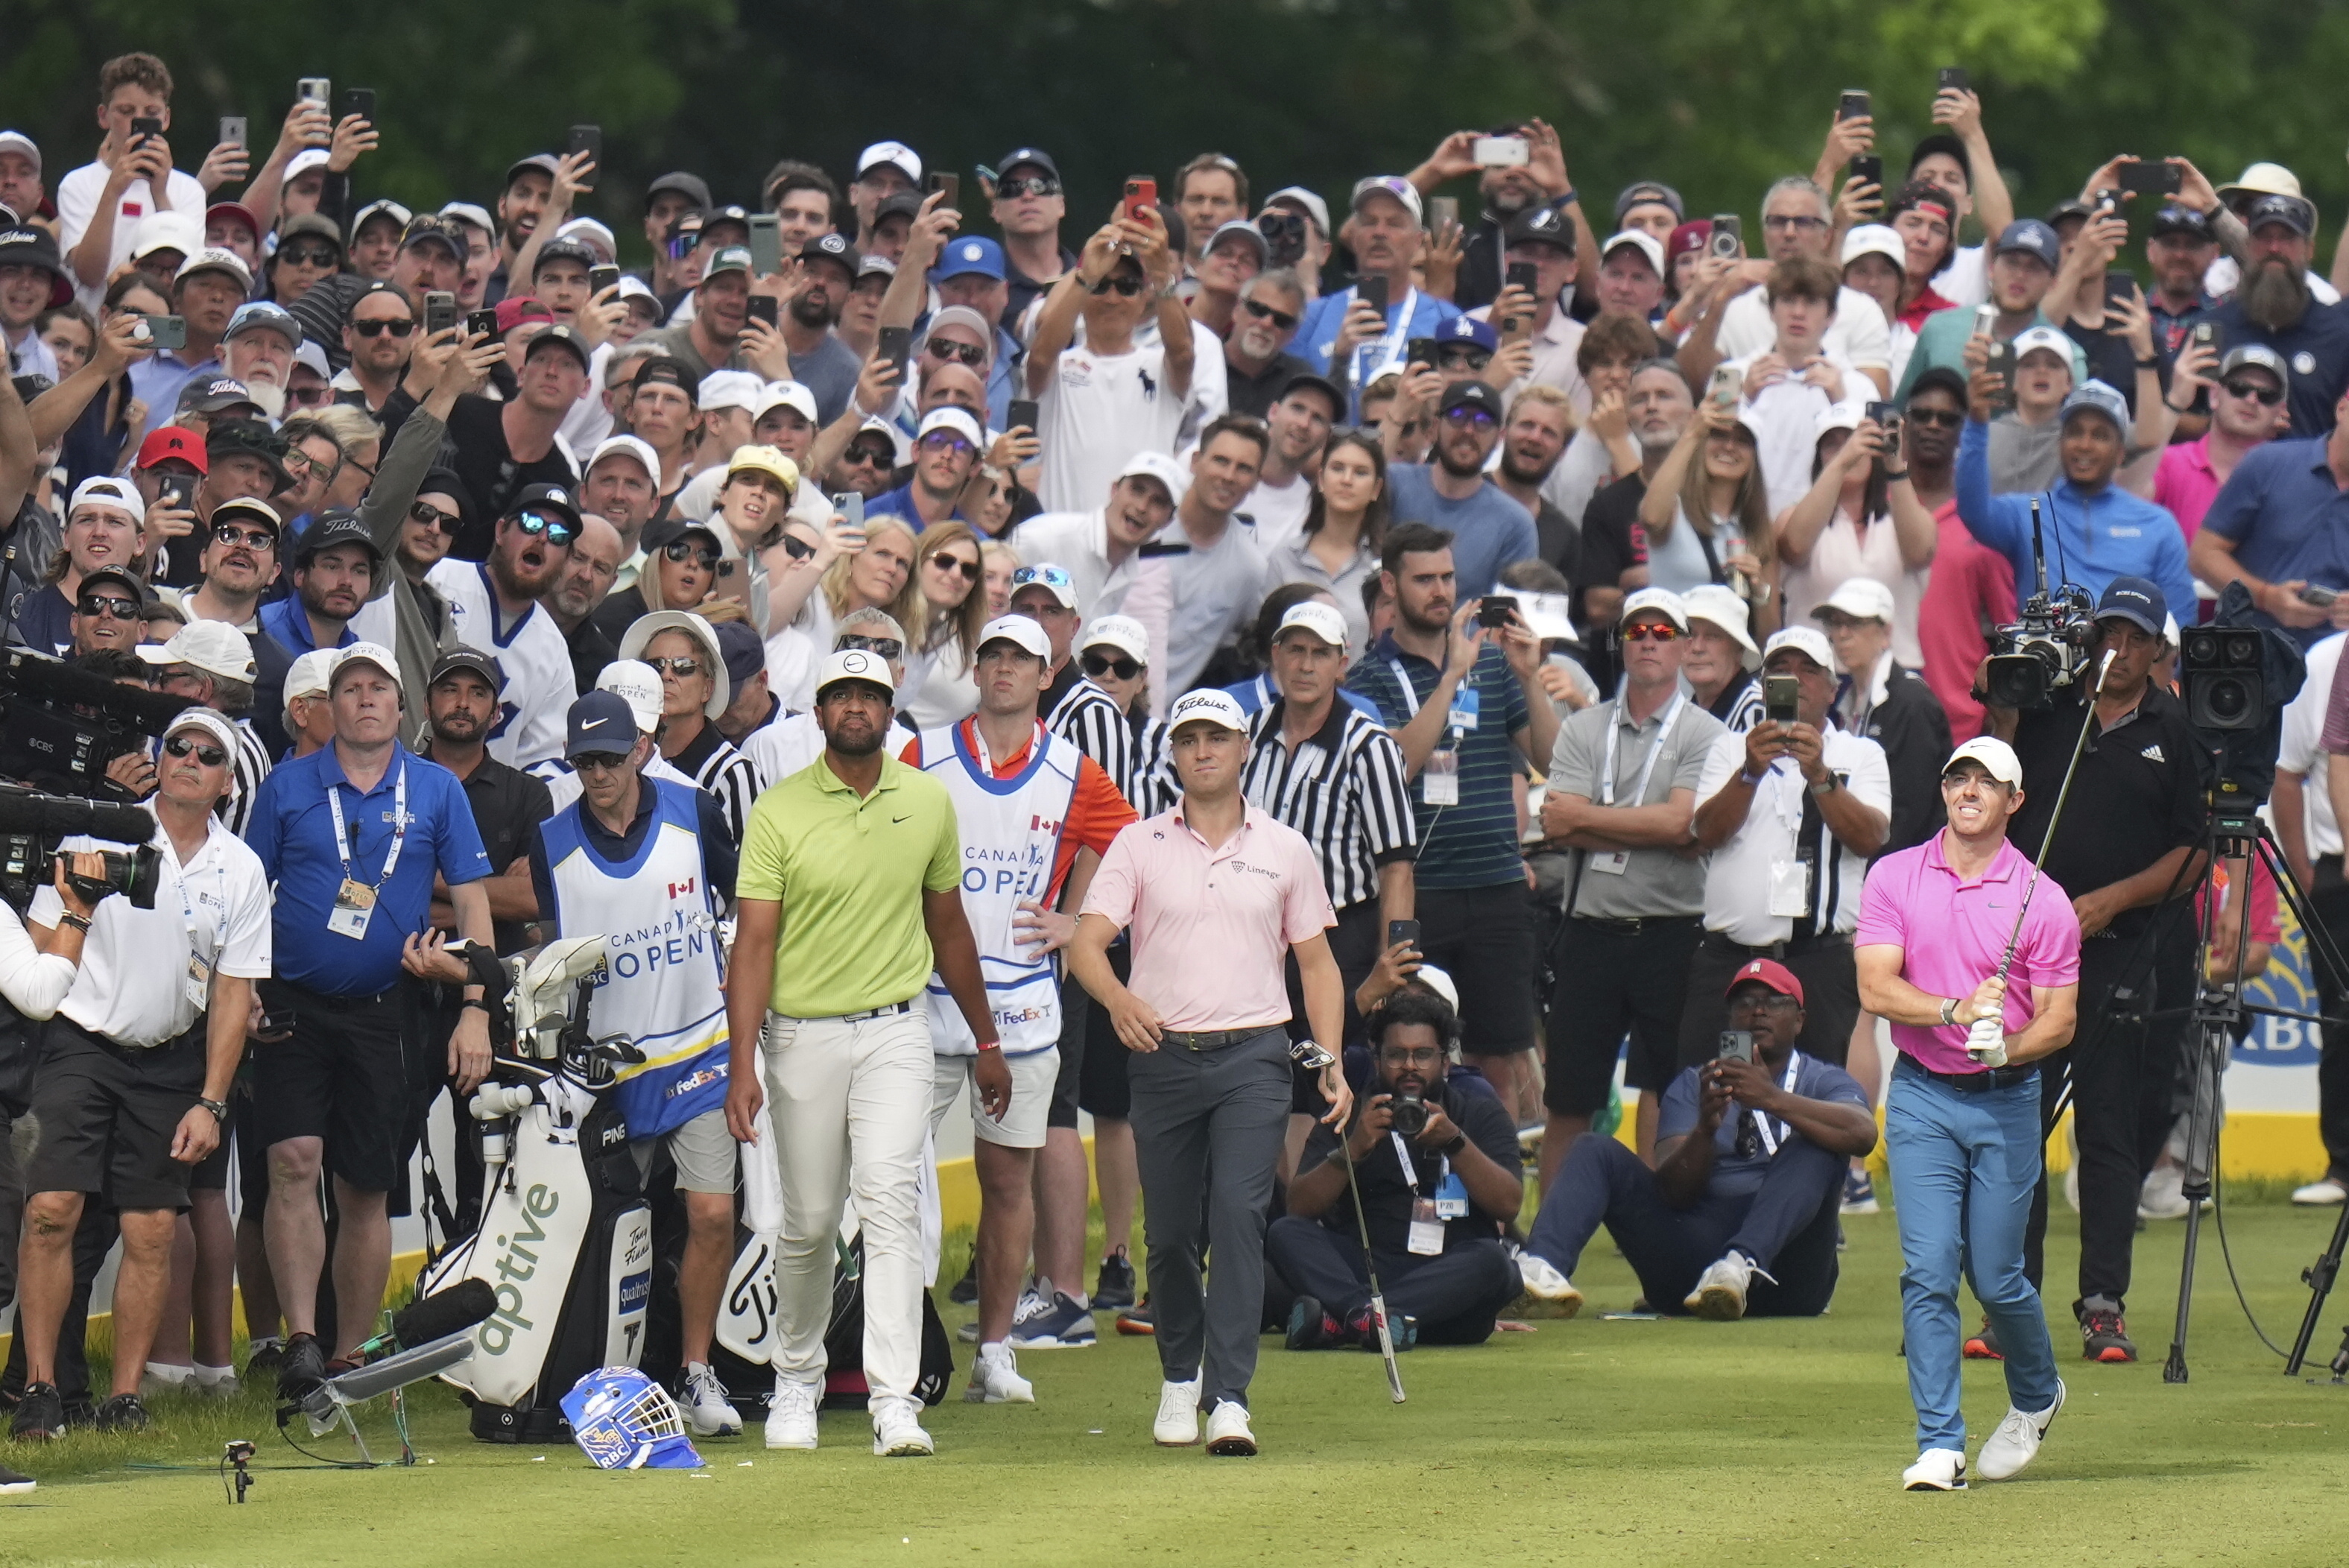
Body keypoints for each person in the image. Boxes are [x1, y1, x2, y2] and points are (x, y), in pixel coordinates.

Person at [723, 646, 1003, 1459]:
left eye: (869, 696)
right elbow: (753, 947)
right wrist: (743, 1063)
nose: (855, 707)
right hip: (800, 1033)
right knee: (807, 1224)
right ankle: (797, 1380)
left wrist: (985, 1040)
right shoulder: (778, 810)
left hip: (895, 1028)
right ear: (818, 713)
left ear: (889, 711)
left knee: (886, 1200)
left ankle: (893, 1396)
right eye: (841, 695)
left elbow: (947, 925)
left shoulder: (925, 800)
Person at [1069, 688, 1349, 1458]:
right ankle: (1178, 1377)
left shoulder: (1284, 847)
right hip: (1162, 1055)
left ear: (1242, 748)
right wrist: (1120, 999)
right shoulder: (1138, 843)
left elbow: (1317, 964)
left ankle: (1229, 1395)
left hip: (1255, 1053)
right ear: (1172, 753)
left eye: (1216, 738)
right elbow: (1086, 944)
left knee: (1237, 1215)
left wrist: (1326, 1054)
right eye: (1188, 739)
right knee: (1169, 1234)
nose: (1202, 751)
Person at [7, 709, 266, 1441]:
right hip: (77, 1041)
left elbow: (231, 993)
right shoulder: (101, 828)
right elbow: (32, 944)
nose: (188, 760)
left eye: (207, 754)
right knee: (51, 1207)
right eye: (176, 747)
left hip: (171, 1055)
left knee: (150, 1229)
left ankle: (124, 1397)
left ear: (225, 780)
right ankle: (39, 1388)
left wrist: (211, 1102)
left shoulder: (240, 867)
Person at [245, 643, 495, 1394]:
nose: (364, 700)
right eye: (349, 688)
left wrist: (475, 1005)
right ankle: (300, 1339)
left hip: (388, 1009)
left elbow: (475, 901)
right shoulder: (288, 786)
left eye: (378, 688)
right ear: (328, 706)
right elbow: (246, 894)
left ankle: (351, 1353)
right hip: (292, 1004)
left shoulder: (436, 789)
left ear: (399, 706)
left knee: (364, 1184)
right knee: (291, 1161)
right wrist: (245, 989)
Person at [905, 616, 1135, 1396]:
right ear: (976, 668)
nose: (1004, 668)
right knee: (895, 1180)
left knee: (1007, 1181)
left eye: (1021, 659)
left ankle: (994, 1350)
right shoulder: (924, 753)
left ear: (1047, 674)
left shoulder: (1073, 769)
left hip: (1026, 1008)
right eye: (993, 654)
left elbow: (1132, 852)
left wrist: (1078, 923)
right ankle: (894, 1345)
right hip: (920, 997)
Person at [1985, 576, 2206, 1364]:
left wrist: (2111, 900)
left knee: (2107, 1128)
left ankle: (2102, 1302)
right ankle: (2010, 1302)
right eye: (2107, 632)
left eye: (2133, 638)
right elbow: (1986, 796)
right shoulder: (2044, 710)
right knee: (2016, 1131)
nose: (2117, 649)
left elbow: (2190, 853)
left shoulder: (2173, 727)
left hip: (2117, 951)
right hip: (2027, 953)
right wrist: (2003, 703)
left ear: (2154, 651)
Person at [1856, 736, 2079, 1491]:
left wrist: (2007, 1048)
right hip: (1919, 1093)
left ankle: (2035, 1394)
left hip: (2004, 1102)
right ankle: (1938, 1444)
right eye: (1959, 776)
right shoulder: (1893, 876)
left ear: (2014, 801)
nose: (1969, 789)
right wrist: (1953, 1010)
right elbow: (1875, 989)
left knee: (1995, 1277)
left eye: (1988, 781)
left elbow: (2059, 1019)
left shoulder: (2041, 899)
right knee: (1925, 1271)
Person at [1517, 959, 1876, 1321]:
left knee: (1815, 1142)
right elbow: (1673, 1194)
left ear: (1799, 1020)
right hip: (1695, 1264)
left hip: (1788, 1273)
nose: (1759, 1011)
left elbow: (1862, 1134)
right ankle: (1538, 1270)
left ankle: (1741, 1263)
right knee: (1593, 1149)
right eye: (1745, 1003)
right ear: (1730, 1019)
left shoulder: (1822, 1080)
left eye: (1775, 1002)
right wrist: (1704, 1130)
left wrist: (1771, 1099)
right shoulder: (1696, 1083)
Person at [1344, 525, 1558, 1125]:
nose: (1440, 592)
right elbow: (1397, 765)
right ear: (1390, 584)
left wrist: (1528, 677)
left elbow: (1552, 758)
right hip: (1420, 889)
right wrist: (1448, 681)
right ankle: (1415, 1181)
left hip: (1496, 885)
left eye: (1447, 577)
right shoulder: (1369, 677)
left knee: (1501, 1052)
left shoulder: (1493, 663)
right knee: (1413, 1048)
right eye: (1424, 579)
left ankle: (1494, 1197)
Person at [1534, 587, 1727, 1171]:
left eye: (1663, 633)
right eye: (1637, 632)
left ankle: (1656, 1227)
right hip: (1592, 931)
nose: (1648, 642)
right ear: (1620, 643)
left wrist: (1594, 820)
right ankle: (1550, 1244)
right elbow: (1558, 824)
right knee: (1569, 1100)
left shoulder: (1704, 732)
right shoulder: (1583, 728)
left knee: (1669, 1092)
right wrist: (1653, 825)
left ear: (1685, 646)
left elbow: (1681, 824)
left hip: (1674, 932)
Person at [1683, 624, 1889, 1069]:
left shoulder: (1860, 754)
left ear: (1833, 690)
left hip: (1815, 964)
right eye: (1780, 670)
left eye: (1808, 670)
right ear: (1763, 688)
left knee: (1812, 1095)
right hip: (1731, 964)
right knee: (1720, 1086)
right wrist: (1750, 772)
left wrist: (1820, 774)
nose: (1794, 680)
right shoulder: (1731, 748)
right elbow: (1706, 834)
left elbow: (1870, 838)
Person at [1271, 987, 1524, 1349]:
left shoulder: (1477, 1113)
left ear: (1445, 1062)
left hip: (1446, 1272)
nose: (1409, 1066)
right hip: (1365, 1267)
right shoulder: (1352, 1115)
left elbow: (1508, 1204)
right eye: (1396, 1055)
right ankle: (1375, 1319)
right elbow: (1299, 1208)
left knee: (1494, 1262)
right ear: (1377, 1061)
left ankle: (1342, 1321)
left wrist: (1456, 1144)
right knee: (1284, 1234)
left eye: (1423, 1055)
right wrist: (1354, 1150)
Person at [1956, 379, 2195, 619]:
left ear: (2120, 452)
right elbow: (1973, 511)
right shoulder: (2029, 513)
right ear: (2059, 444)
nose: (2084, 445)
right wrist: (1976, 422)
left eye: (2100, 436)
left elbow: (2180, 619)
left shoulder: (2157, 525)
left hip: (2126, 653)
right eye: (2075, 433)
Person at [1028, 204, 1193, 514]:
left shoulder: (1160, 367)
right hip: (1064, 539)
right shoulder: (1059, 367)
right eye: (1101, 286)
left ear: (1145, 297)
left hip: (1142, 547)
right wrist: (1084, 276)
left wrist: (1161, 275)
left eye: (1127, 287)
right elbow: (1039, 357)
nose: (1112, 298)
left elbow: (1183, 351)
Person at [1094, 417, 1268, 702]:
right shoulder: (1140, 525)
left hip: (1160, 719)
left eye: (1244, 468)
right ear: (1196, 461)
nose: (1229, 476)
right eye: (1221, 461)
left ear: (1256, 482)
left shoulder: (1251, 568)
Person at [426, 482, 580, 769]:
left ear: (568, 560)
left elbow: (546, 758)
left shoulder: (553, 649)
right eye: (530, 523)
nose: (543, 538)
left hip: (484, 806)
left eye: (559, 536)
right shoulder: (438, 580)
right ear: (500, 531)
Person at [2187, 379, 2349, 651]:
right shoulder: (2268, 463)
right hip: (2245, 652)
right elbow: (2203, 555)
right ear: (2342, 410)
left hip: (2334, 667)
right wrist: (2267, 597)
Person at [1905, 367, 2016, 742]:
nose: (1933, 425)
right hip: (1880, 713)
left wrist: (1993, 710)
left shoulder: (1982, 522)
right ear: (1903, 423)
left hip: (1960, 722)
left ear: (1963, 429)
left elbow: (2007, 631)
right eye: (1921, 415)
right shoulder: (1876, 507)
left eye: (1948, 418)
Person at [1776, 407, 1937, 665]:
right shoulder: (1793, 517)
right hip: (1817, 674)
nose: (1849, 449)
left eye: (1856, 439)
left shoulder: (1904, 518)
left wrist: (1894, 465)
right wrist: (1842, 462)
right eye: (1832, 445)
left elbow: (1920, 553)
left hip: (1895, 675)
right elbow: (1794, 546)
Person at [1815, 576, 1953, 856]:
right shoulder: (1845, 702)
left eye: (1854, 623)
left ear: (1886, 632)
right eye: (1834, 623)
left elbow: (1913, 808)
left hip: (1904, 869)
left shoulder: (1911, 703)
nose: (1841, 634)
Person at [2194, 193, 2349, 438]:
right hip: (2224, 474)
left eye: (2287, 238)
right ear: (2247, 246)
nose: (2274, 248)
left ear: (2309, 250)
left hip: (2311, 473)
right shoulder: (2212, 328)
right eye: (2264, 237)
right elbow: (2179, 418)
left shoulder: (2340, 335)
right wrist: (2241, 423)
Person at [1376, 381, 1537, 601]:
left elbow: (1512, 614)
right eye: (1458, 417)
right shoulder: (1395, 482)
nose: (1468, 430)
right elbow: (1359, 468)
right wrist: (1396, 413)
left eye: (1483, 422)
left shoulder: (1515, 523)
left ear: (1500, 437)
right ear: (1434, 428)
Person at [1635, 393, 1779, 636]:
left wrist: (1759, 592)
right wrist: (1693, 432)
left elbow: (1769, 640)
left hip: (1724, 668)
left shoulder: (1758, 531)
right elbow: (1649, 517)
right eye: (1718, 435)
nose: (1729, 446)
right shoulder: (1674, 509)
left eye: (1743, 440)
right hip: (1668, 665)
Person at [617, 609, 759, 845]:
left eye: (683, 666)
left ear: (708, 688)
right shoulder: (621, 759)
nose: (667, 675)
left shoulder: (734, 774)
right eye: (656, 665)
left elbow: (744, 872)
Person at [2137, 343, 2289, 540]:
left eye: (2266, 395)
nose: (2251, 400)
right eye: (2239, 388)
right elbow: (2126, 504)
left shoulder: (2288, 479)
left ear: (2281, 411)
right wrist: (2175, 402)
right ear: (2214, 395)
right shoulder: (2171, 461)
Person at [1245, 373, 1342, 553]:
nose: (1304, 424)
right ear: (1273, 412)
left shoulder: (1313, 512)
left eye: (1318, 419)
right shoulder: (1220, 466)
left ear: (1326, 438)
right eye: (1297, 408)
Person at [1221, 271, 1313, 420]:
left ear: (1293, 333)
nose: (1266, 323)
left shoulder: (1301, 382)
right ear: (1237, 309)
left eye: (1282, 320)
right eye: (1258, 309)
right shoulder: (1200, 362)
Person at [1682, 583, 1765, 732]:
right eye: (1690, 635)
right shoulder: (1679, 716)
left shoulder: (1758, 715)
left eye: (1713, 636)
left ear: (1739, 649)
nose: (1697, 647)